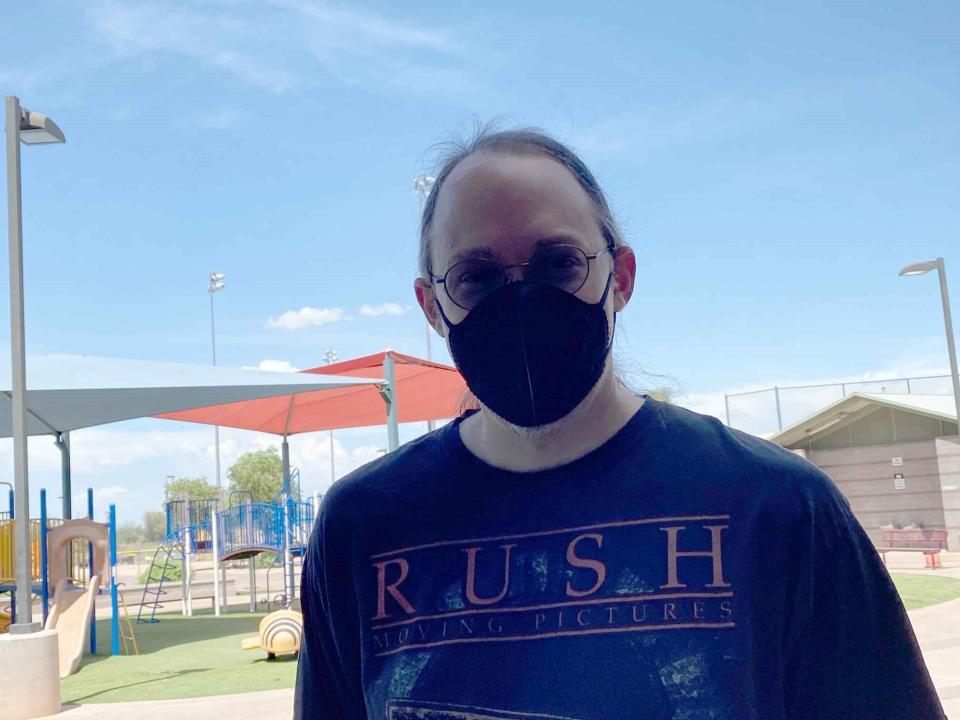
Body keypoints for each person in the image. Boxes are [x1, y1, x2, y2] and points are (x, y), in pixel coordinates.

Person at [295, 127, 944, 720]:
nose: (520, 299)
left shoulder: (777, 510)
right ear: (432, 306)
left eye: (558, 264)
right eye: (477, 276)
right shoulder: (362, 528)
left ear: (621, 277)